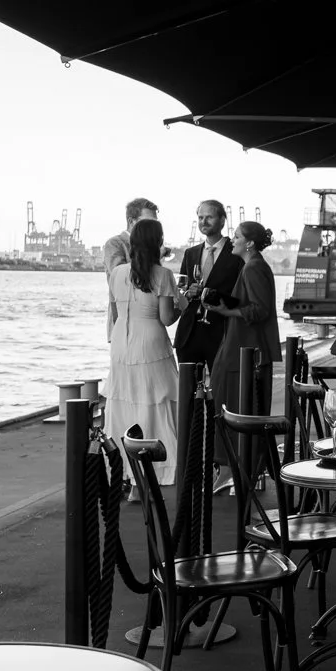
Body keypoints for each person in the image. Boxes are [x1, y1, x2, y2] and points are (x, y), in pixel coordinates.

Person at [108, 216, 181, 483]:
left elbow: (116, 312)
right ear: (158, 243)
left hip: (122, 341)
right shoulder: (163, 274)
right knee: (155, 401)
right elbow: (165, 318)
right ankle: (154, 469)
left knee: (125, 400)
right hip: (151, 341)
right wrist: (183, 306)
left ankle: (126, 471)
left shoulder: (117, 274)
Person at [203, 221, 280, 418]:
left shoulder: (253, 268)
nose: (232, 241)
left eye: (237, 237)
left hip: (245, 349)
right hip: (243, 347)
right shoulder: (255, 266)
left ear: (249, 243)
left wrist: (226, 311)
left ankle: (237, 449)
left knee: (236, 406)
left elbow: (261, 309)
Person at [174, 200, 242, 366]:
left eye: (209, 217)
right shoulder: (190, 253)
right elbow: (180, 291)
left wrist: (211, 295)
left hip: (221, 333)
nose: (203, 222)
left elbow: (240, 296)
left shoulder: (237, 254)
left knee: (220, 390)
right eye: (200, 217)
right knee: (186, 389)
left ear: (222, 221)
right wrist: (187, 293)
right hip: (189, 334)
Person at [103, 197, 158, 337]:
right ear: (131, 221)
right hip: (123, 322)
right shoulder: (114, 244)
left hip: (150, 322)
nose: (153, 227)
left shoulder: (152, 247)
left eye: (155, 223)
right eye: (148, 222)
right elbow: (122, 277)